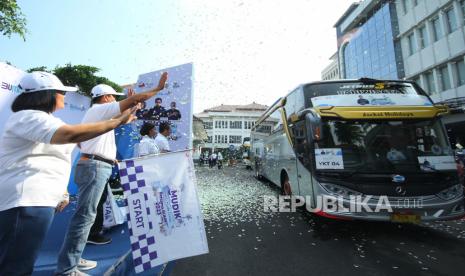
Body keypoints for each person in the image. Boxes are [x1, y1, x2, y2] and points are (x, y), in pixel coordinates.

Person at [0, 71, 136, 276]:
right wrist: (118, 121)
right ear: (47, 94)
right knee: (16, 265)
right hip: (24, 200)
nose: (64, 96)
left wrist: (61, 192)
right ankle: (68, 268)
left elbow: (53, 159)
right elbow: (71, 135)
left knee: (22, 261)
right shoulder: (28, 117)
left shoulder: (44, 119)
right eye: (61, 92)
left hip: (36, 200)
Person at [55, 73, 168, 275]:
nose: (116, 100)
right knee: (84, 217)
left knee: (87, 216)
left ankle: (74, 258)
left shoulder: (99, 113)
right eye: (114, 97)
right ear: (106, 97)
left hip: (96, 165)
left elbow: (122, 120)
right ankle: (67, 268)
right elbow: (129, 107)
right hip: (94, 167)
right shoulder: (100, 109)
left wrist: (133, 108)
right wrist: (156, 90)